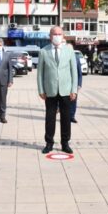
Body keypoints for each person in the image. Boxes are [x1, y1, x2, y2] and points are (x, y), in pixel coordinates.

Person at [37, 26, 78, 154]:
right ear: (50, 36)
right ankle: (49, 143)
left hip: (66, 90)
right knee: (50, 117)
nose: (57, 36)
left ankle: (65, 143)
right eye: (54, 34)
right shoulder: (43, 51)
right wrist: (41, 90)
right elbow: (40, 73)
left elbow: (74, 72)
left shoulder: (69, 51)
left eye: (59, 34)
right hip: (50, 90)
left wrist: (74, 89)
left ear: (63, 35)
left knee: (66, 118)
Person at [69, 42, 83, 123]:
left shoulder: (76, 58)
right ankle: (65, 115)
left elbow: (79, 73)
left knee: (74, 101)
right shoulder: (63, 58)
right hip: (66, 84)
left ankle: (72, 116)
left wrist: (79, 84)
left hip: (74, 84)